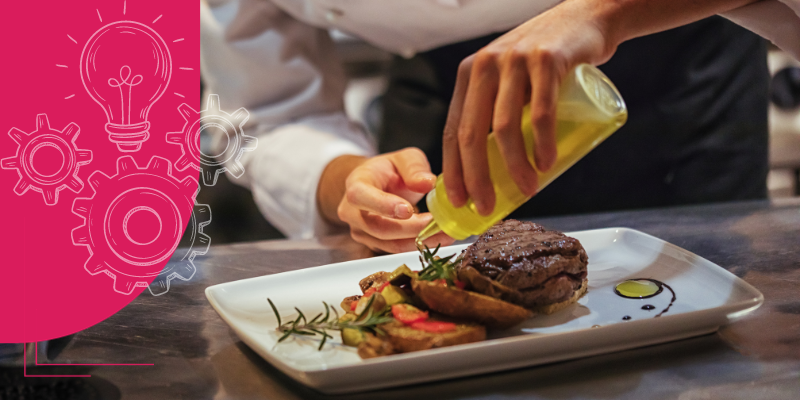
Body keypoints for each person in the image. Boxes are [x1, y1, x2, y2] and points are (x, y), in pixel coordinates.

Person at [201, 0, 800, 253]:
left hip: (667, 58)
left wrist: (603, 12)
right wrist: (344, 181)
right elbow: (262, 112)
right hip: (446, 96)